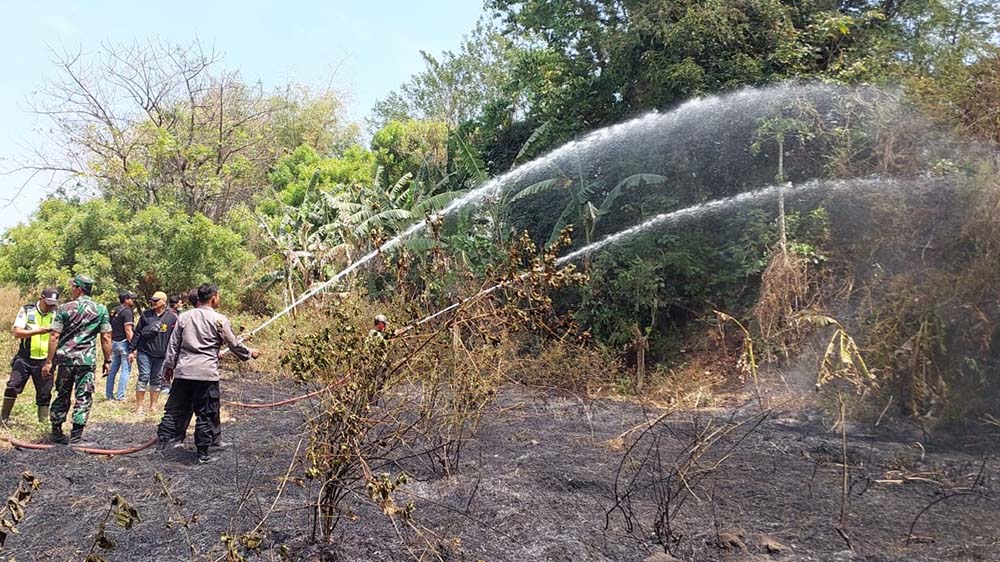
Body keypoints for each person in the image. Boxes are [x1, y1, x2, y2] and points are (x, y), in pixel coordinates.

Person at [156, 283, 260, 464]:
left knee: (173, 410)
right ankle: (202, 453)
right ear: (213, 298)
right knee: (205, 413)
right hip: (205, 374)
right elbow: (233, 344)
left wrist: (168, 367)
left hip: (183, 372)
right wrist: (249, 354)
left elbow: (173, 344)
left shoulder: (184, 317)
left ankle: (162, 446)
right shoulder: (219, 320)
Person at [41, 274, 112, 445]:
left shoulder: (64, 309)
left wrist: (49, 361)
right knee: (84, 396)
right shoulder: (100, 309)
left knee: (62, 393)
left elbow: (54, 336)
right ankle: (76, 436)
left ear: (79, 288)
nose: (71, 290)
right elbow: (106, 337)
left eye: (73, 287)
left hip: (65, 360)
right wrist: (108, 360)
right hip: (86, 361)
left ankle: (56, 432)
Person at [2, 287, 59, 424]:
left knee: (45, 393)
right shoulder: (27, 310)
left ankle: (43, 424)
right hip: (25, 358)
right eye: (48, 302)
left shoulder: (56, 314)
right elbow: (17, 333)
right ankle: (3, 418)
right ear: (41, 298)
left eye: (53, 303)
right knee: (12, 386)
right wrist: (39, 331)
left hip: (45, 360)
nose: (50, 306)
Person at [130, 291, 178, 414]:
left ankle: (153, 406)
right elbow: (137, 333)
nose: (153, 302)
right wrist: (131, 350)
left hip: (161, 354)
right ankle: (139, 407)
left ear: (163, 302)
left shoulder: (172, 317)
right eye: (152, 300)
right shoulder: (146, 315)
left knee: (156, 379)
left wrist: (175, 354)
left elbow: (176, 336)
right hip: (144, 351)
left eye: (156, 300)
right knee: (144, 376)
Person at [105, 290, 136, 401]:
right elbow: (128, 330)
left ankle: (109, 395)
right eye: (131, 298)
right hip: (124, 343)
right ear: (126, 299)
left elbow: (109, 328)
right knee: (125, 370)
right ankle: (120, 396)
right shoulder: (127, 311)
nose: (133, 300)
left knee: (112, 370)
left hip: (114, 343)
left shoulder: (114, 310)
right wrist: (133, 346)